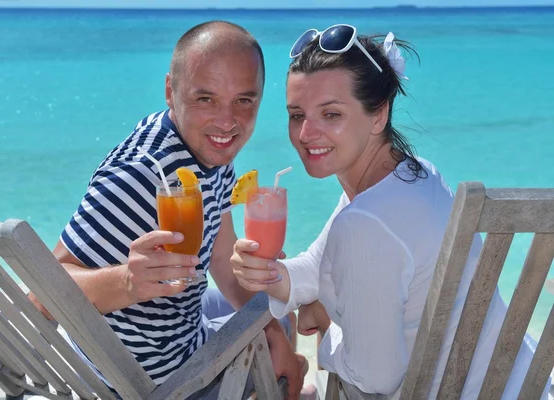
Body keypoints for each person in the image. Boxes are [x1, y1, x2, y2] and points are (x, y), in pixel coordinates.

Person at [231, 25, 550, 399]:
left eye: (331, 114)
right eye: (297, 114)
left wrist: (325, 326)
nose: (305, 133)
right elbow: (322, 264)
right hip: (520, 384)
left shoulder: (366, 222)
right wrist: (271, 274)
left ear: (379, 115)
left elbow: (376, 378)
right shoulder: (413, 174)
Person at [30, 20, 305, 399]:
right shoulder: (141, 175)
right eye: (204, 99)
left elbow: (223, 257)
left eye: (244, 101)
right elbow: (43, 294)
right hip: (158, 381)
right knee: (282, 327)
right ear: (169, 91)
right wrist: (128, 281)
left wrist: (272, 325)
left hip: (177, 330)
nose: (227, 122)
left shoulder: (210, 147)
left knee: (278, 310)